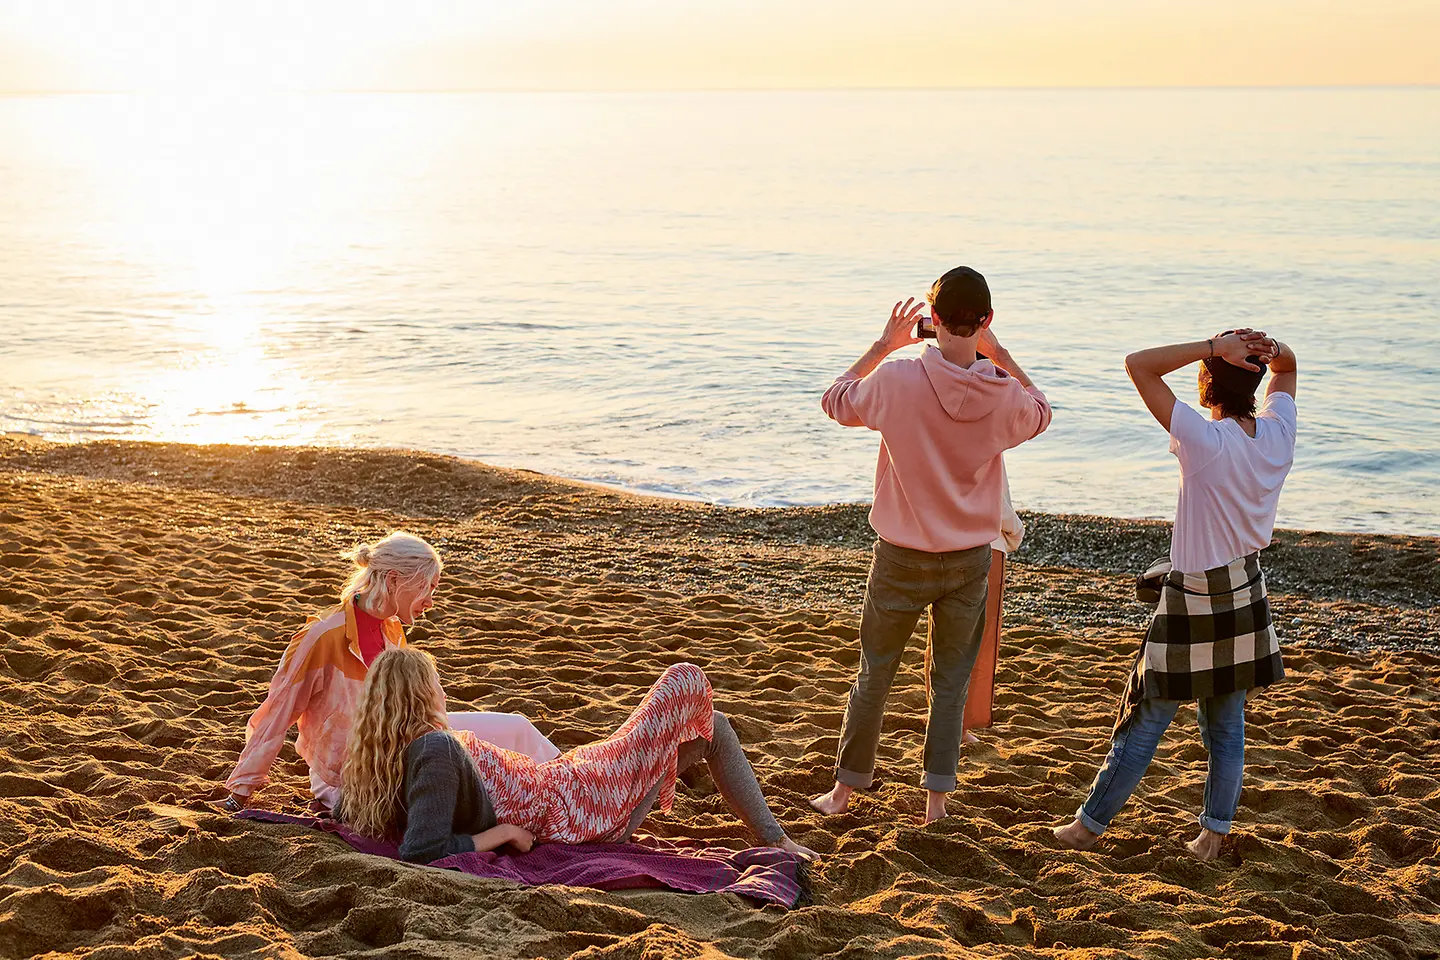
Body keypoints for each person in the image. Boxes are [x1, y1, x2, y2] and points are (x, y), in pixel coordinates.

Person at [810, 266, 1053, 825]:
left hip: (900, 554)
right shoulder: (1003, 394)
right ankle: (936, 801)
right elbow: (1042, 411)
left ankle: (845, 792)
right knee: (949, 682)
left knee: (876, 671)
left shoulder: (896, 379)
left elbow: (834, 400)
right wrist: (1002, 353)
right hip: (968, 560)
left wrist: (881, 345)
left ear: (931, 320)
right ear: (985, 321)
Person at [1054, 329, 1297, 861]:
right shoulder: (1278, 435)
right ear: (1254, 381)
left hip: (1193, 595)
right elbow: (1289, 371)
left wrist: (1213, 344)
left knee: (1147, 718)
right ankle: (1213, 836)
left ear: (1207, 384)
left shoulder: (1203, 440)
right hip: (1245, 588)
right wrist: (1267, 349)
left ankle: (1086, 829)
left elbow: (1138, 363)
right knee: (1226, 724)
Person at [339, 647, 819, 865]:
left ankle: (767, 833)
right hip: (581, 806)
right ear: (422, 696)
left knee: (701, 729)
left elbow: (351, 810)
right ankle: (776, 841)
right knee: (688, 682)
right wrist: (502, 833)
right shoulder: (434, 748)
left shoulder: (380, 760)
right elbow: (422, 850)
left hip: (571, 783)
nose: (444, 695)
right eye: (437, 686)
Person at [222, 531, 558, 813]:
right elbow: (275, 715)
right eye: (428, 588)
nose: (430, 601)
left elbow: (421, 707)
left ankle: (575, 783)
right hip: (353, 775)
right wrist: (239, 793)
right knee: (474, 778)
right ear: (395, 580)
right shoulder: (322, 636)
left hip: (408, 744)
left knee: (517, 728)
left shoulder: (392, 630)